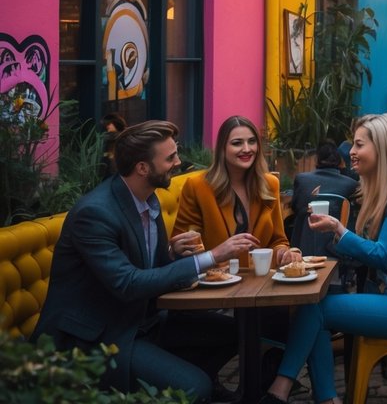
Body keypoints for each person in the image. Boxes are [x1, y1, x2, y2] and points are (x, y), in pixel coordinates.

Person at [34, 120, 250, 402]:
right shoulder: (95, 214)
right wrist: (213, 256)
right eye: (170, 157)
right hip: (99, 337)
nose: (178, 162)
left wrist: (173, 255)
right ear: (142, 168)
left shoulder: (148, 200)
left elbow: (150, 270)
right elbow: (128, 283)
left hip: (143, 321)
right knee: (194, 387)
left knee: (235, 332)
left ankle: (192, 388)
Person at [260, 113, 387, 404]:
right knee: (314, 306)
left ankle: (284, 387)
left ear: (383, 149)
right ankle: (315, 395)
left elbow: (384, 257)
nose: (350, 151)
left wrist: (338, 229)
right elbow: (373, 251)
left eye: (359, 145)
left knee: (315, 309)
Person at [172, 115, 298, 271]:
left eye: (252, 141)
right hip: (216, 283)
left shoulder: (270, 184)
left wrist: (285, 253)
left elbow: (278, 240)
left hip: (260, 281)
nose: (247, 149)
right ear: (222, 148)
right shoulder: (197, 187)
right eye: (237, 143)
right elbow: (181, 246)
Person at [289, 141, 359, 253]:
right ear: (339, 161)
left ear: (316, 159)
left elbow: (295, 208)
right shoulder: (351, 184)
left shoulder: (302, 179)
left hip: (305, 248)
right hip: (339, 251)